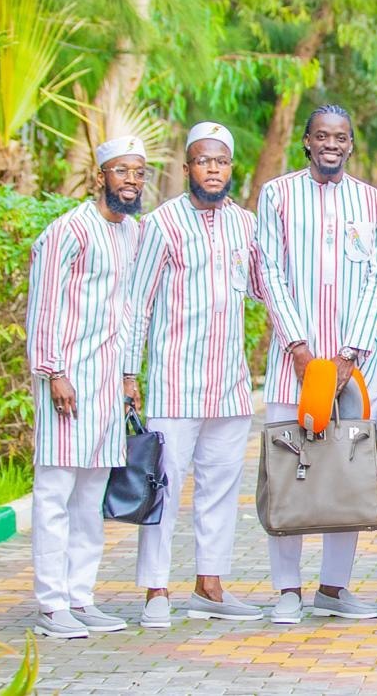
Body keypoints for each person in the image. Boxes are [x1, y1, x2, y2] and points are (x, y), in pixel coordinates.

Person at [123, 123, 264, 628]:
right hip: (174, 382)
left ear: (231, 168)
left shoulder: (246, 224)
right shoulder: (161, 223)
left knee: (221, 488)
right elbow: (138, 303)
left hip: (229, 384)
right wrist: (128, 373)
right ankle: (156, 590)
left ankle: (210, 586)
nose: (213, 169)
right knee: (163, 486)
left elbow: (265, 287)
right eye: (204, 161)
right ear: (187, 168)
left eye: (221, 162)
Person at [256, 104, 377, 625]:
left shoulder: (371, 201)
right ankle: (286, 590)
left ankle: (334, 588)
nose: (331, 144)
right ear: (307, 142)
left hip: (352, 372)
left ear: (350, 144)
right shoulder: (278, 195)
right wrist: (298, 347)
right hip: (293, 366)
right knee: (288, 474)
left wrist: (349, 353)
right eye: (322, 136)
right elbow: (270, 272)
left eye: (340, 137)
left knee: (348, 473)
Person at [26, 135, 145, 638]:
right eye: (121, 171)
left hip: (105, 384)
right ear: (101, 176)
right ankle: (51, 605)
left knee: (91, 496)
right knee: (55, 492)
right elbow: (44, 303)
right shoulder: (68, 230)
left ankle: (81, 597)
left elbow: (128, 308)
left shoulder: (132, 231)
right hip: (68, 380)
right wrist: (54, 371)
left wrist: (127, 376)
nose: (131, 181)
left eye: (138, 172)